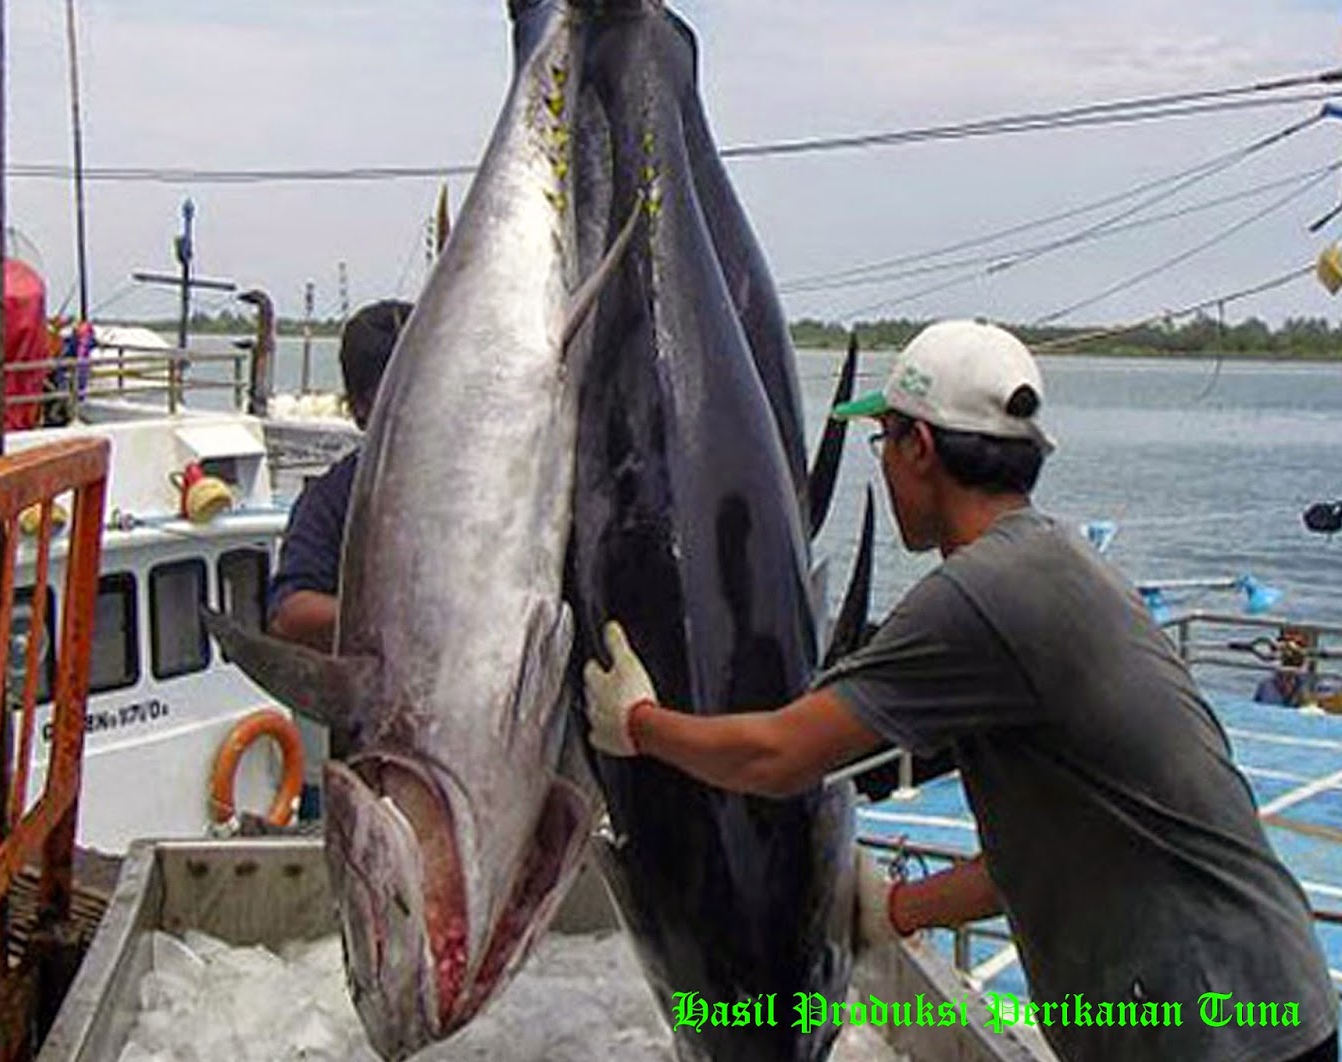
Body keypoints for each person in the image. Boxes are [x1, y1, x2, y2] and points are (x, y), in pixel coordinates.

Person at [581, 320, 1336, 1062]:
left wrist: (641, 724)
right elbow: (1054, 852)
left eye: (884, 443)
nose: (881, 464)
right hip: (1265, 1004)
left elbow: (777, 757)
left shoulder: (978, 596)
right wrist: (897, 911)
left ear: (921, 448)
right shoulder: (1062, 563)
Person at [268, 299, 412, 652]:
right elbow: (290, 614)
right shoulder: (334, 497)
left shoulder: (488, 479)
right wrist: (396, 618)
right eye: (402, 390)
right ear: (360, 406)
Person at [1254, 626, 1317, 707]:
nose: (1290, 651)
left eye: (1298, 644)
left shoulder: (1317, 687)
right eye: (1286, 643)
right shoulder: (1266, 686)